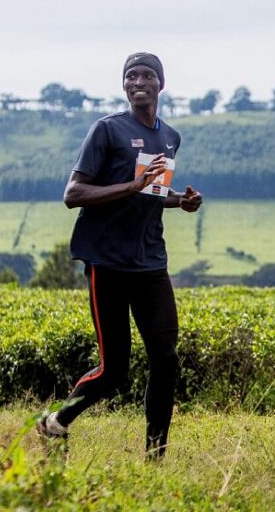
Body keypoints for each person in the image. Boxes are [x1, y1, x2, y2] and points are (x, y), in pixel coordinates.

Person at [36, 52, 202, 459]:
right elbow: (73, 195)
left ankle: (155, 454)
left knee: (165, 360)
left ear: (161, 84)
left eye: (147, 75)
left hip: (150, 262)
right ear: (124, 85)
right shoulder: (106, 131)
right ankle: (56, 422)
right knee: (114, 371)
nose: (138, 81)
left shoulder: (169, 136)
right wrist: (128, 186)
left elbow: (151, 190)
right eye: (131, 76)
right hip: (107, 263)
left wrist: (180, 200)